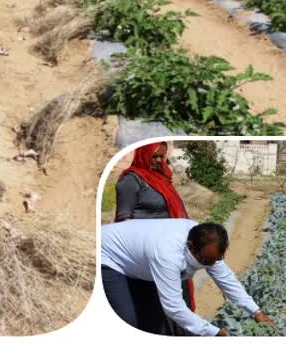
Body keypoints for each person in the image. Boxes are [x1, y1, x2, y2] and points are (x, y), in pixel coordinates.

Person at [101, 219, 274, 336]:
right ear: (190, 247)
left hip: (139, 259)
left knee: (152, 318)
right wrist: (215, 332)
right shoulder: (167, 253)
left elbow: (226, 280)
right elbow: (174, 307)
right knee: (127, 318)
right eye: (206, 261)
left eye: (215, 260)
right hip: (109, 256)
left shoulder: (208, 244)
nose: (209, 265)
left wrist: (256, 311)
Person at [113, 142, 195, 334]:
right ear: (144, 154)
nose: (159, 161)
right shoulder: (131, 181)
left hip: (169, 251)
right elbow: (124, 221)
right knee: (155, 307)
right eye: (154, 157)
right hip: (147, 254)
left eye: (162, 157)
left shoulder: (161, 178)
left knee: (177, 299)